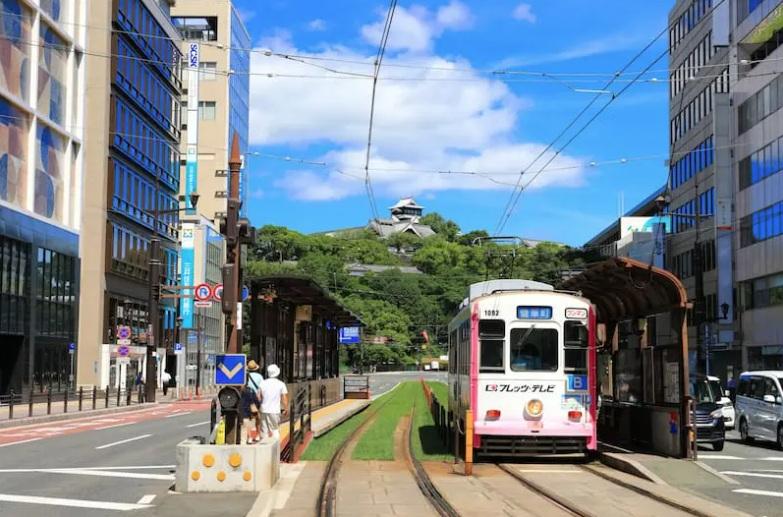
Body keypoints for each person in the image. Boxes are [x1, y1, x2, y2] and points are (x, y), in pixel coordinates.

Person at [259, 364, 288, 441]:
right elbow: (284, 397)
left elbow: (259, 397)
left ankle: (264, 447)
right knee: (275, 429)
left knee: (264, 430)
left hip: (264, 410)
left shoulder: (262, 383)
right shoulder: (281, 384)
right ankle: (275, 449)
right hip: (275, 410)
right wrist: (285, 408)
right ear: (277, 373)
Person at [244, 360, 264, 444]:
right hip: (256, 399)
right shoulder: (259, 377)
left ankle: (249, 437)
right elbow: (262, 389)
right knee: (258, 418)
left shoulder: (245, 376)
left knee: (248, 418)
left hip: (247, 398)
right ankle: (258, 434)